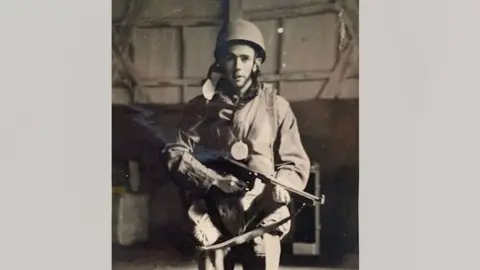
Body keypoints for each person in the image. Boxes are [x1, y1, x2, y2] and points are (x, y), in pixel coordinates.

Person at [163, 19, 310, 270]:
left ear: (257, 63)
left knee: (263, 254)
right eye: (230, 58)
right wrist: (212, 180)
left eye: (245, 58)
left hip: (262, 209)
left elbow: (295, 162)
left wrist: (285, 182)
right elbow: (174, 152)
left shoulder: (277, 107)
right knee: (210, 256)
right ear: (220, 61)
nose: (238, 66)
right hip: (214, 207)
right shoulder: (202, 106)